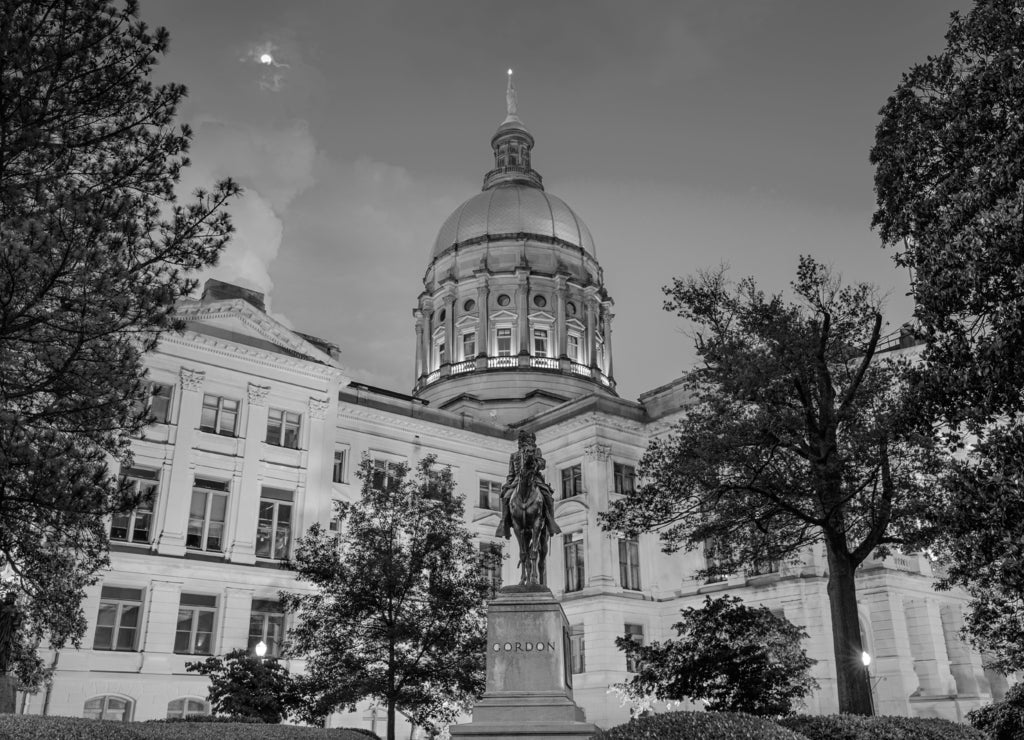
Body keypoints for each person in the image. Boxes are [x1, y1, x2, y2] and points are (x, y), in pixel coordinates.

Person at [495, 431, 561, 539]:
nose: (528, 442)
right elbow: (511, 473)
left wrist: (535, 463)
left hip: (534, 478)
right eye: (525, 440)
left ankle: (550, 521)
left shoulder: (536, 451)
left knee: (548, 496)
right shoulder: (514, 455)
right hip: (517, 480)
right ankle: (504, 523)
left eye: (530, 441)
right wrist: (508, 484)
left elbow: (542, 464)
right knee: (506, 496)